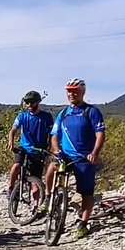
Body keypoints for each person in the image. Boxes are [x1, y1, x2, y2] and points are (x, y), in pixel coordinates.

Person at [46, 78, 106, 239]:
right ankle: (48, 197)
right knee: (51, 168)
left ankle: (83, 223)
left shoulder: (91, 112)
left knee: (86, 193)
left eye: (75, 91)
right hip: (65, 156)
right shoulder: (63, 113)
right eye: (69, 91)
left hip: (84, 158)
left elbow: (100, 134)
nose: (71, 94)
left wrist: (95, 152)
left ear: (82, 92)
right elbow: (54, 135)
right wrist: (56, 148)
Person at [6, 91, 53, 197]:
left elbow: (52, 134)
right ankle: (10, 187)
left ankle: (36, 205)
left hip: (39, 150)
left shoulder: (46, 117)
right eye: (27, 102)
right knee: (16, 165)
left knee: (35, 180)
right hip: (24, 147)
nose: (29, 105)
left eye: (32, 102)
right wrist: (11, 143)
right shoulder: (22, 116)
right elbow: (13, 130)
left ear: (38, 102)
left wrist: (50, 146)